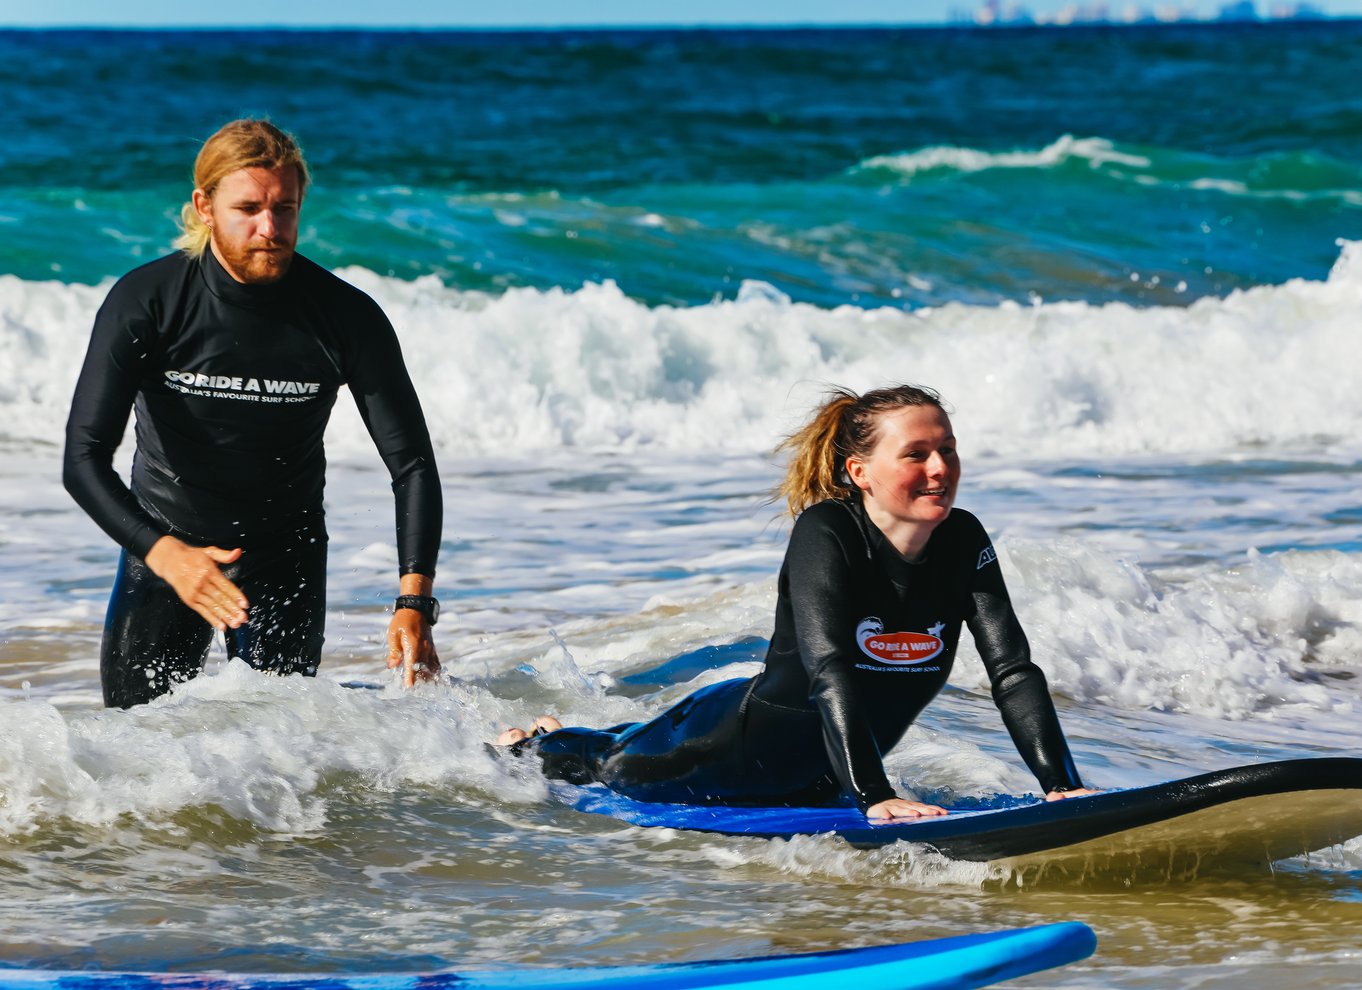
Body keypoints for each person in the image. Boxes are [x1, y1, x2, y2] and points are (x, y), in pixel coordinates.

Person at [500, 384, 1097, 820]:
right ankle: (536, 740)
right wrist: (875, 795)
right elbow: (829, 670)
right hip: (724, 753)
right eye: (916, 454)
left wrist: (1060, 785)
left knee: (624, 742)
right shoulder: (827, 532)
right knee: (609, 763)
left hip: (824, 776)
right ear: (860, 471)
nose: (941, 468)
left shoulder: (963, 537)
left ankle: (563, 729)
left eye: (948, 450)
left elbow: (1012, 672)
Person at [63, 118, 443, 709]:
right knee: (134, 761)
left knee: (281, 768)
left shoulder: (345, 316)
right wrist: (165, 554)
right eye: (248, 209)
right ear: (204, 206)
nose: (270, 229)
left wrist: (414, 602)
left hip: (282, 557)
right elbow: (83, 459)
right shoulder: (148, 302)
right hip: (164, 550)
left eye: (285, 208)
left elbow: (413, 464)